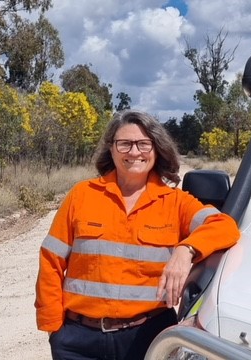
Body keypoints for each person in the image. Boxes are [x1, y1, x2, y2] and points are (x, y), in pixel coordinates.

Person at [35, 110, 240, 359]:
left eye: (144, 144)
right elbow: (51, 261)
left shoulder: (175, 203)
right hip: (79, 340)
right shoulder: (82, 195)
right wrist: (54, 330)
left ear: (156, 149)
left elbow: (225, 226)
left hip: (148, 336)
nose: (134, 152)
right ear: (111, 149)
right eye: (125, 144)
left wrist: (186, 250)